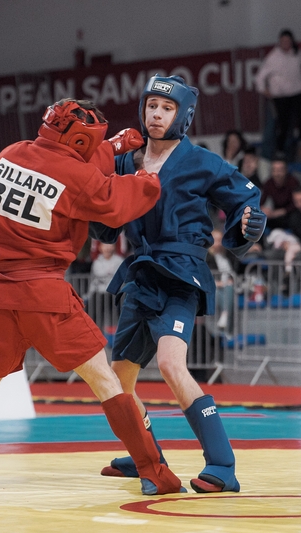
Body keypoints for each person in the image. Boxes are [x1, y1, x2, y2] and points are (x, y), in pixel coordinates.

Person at [0, 99, 185, 505]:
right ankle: (153, 472)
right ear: (81, 140)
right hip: (44, 296)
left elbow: (62, 166)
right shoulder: (77, 176)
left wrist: (114, 146)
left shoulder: (10, 154)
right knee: (108, 385)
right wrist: (149, 175)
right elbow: (116, 200)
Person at [90, 75, 265, 494]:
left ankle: (223, 465)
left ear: (182, 115)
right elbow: (103, 212)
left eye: (166, 108)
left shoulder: (201, 161)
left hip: (182, 273)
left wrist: (248, 223)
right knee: (119, 380)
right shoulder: (125, 161)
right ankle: (145, 455)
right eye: (151, 105)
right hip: (142, 274)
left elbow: (246, 198)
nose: (156, 114)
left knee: (171, 364)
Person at [254, 29, 301, 162]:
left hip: (297, 93)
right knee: (283, 124)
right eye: (283, 41)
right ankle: (280, 150)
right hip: (280, 96)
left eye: (288, 41)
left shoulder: (298, 54)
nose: (286, 44)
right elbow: (260, 77)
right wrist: (264, 90)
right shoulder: (273, 57)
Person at [261, 157, 301, 229]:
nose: (277, 174)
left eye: (280, 170)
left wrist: (282, 211)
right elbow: (261, 201)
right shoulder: (268, 183)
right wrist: (263, 209)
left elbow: (297, 203)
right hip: (275, 214)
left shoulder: (293, 182)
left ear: (286, 170)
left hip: (291, 213)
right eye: (274, 170)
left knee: (295, 218)